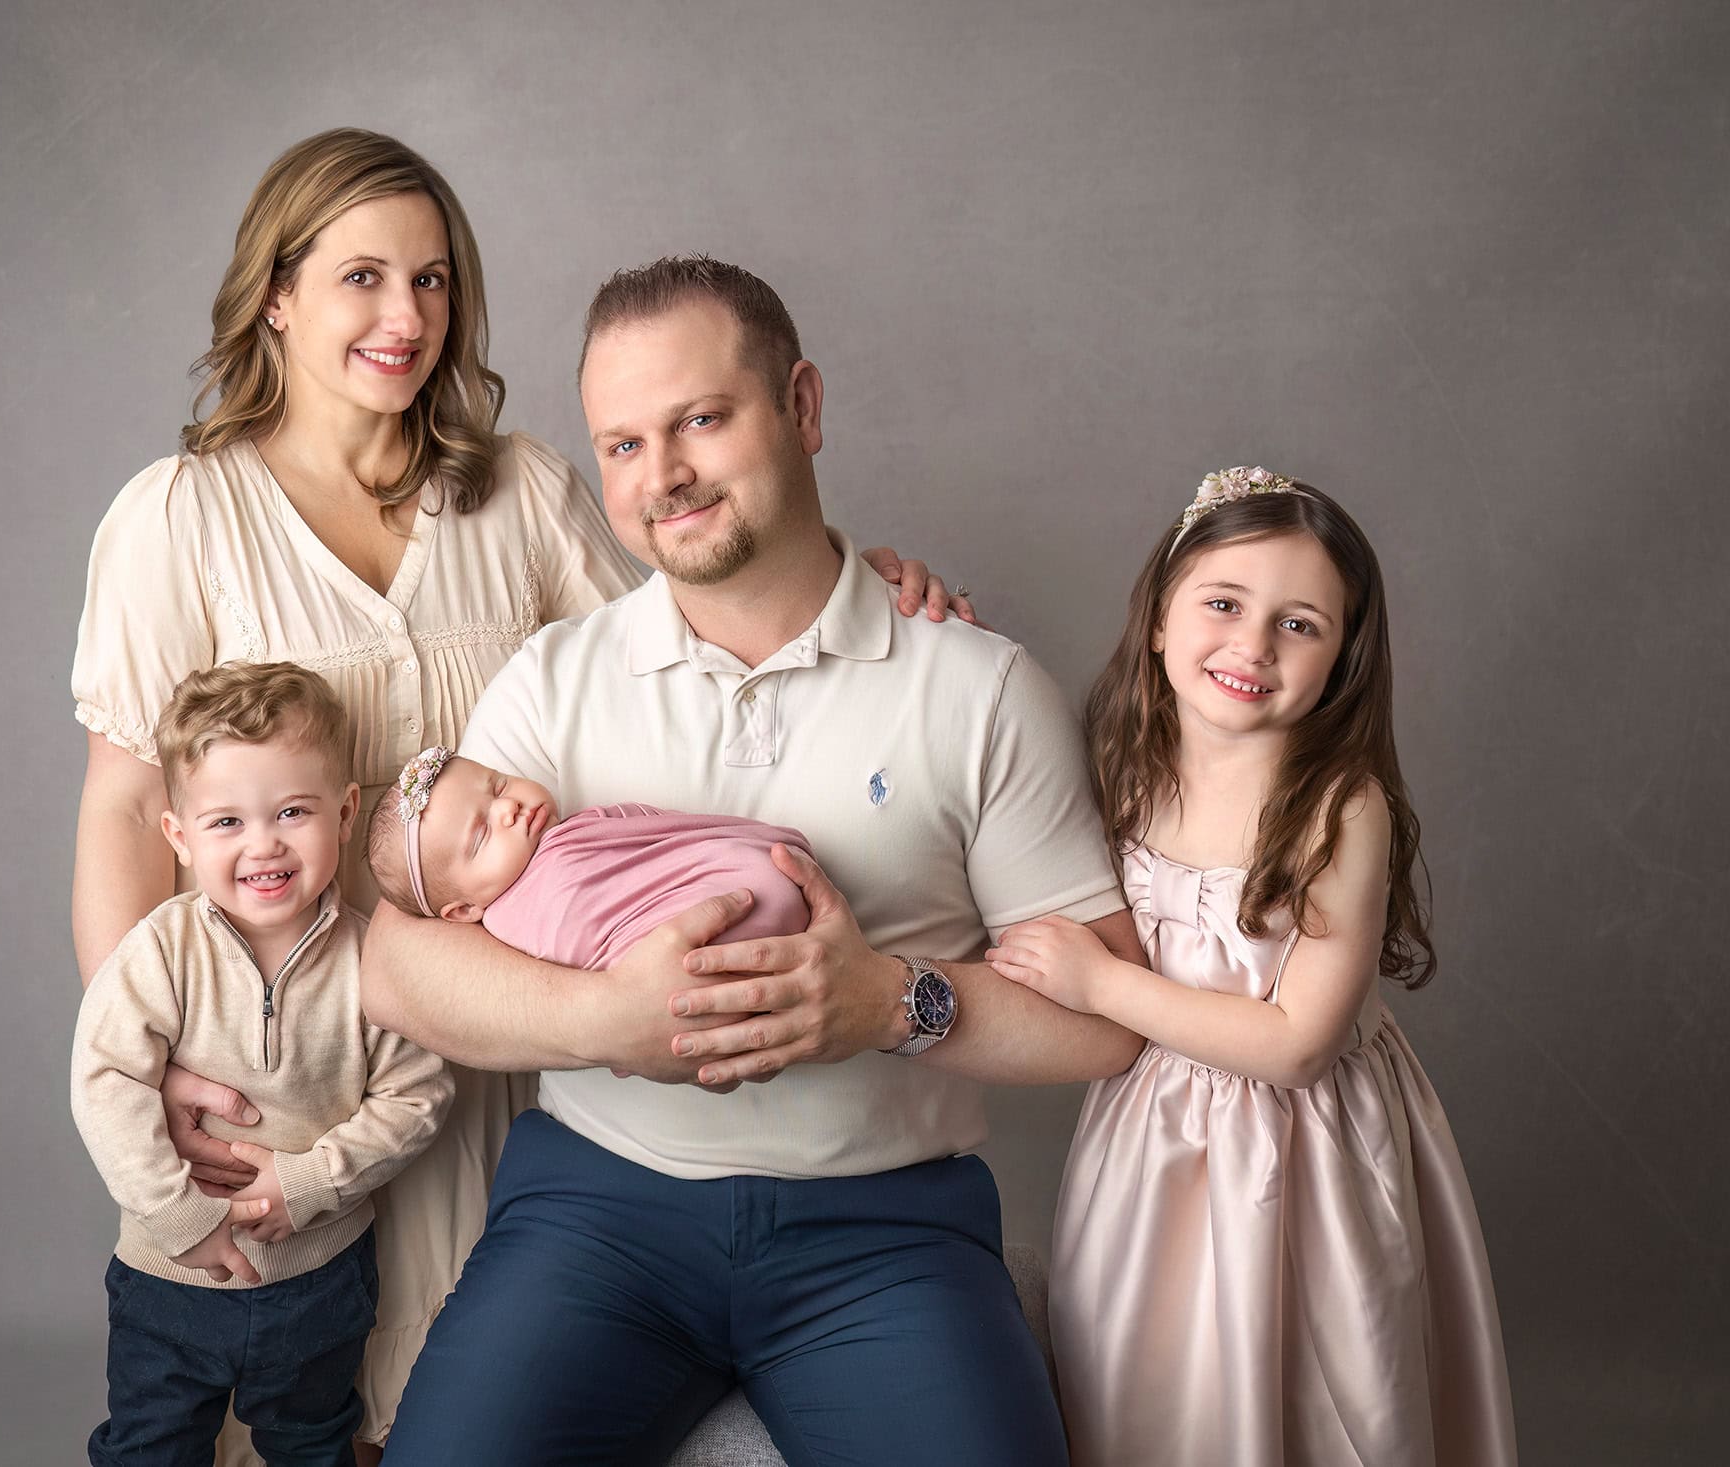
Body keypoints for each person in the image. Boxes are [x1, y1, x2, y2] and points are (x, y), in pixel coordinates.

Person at [68, 130, 969, 1464]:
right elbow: (116, 810)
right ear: (276, 293)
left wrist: (852, 579)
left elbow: (691, 651)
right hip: (293, 1051)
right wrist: (158, 1048)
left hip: (497, 1045)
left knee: (446, 1407)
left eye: (433, 281)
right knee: (291, 1406)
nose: (405, 317)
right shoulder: (178, 516)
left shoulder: (518, 487)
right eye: (361, 277)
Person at [364, 255, 1148, 1466]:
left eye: (699, 420)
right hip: (594, 1212)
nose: (660, 475)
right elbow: (400, 970)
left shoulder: (976, 686)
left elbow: (1106, 1017)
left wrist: (889, 1003)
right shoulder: (553, 682)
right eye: (620, 445)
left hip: (885, 1233)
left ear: (803, 406)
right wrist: (604, 1018)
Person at [985, 469, 1516, 1465]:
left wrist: (1100, 987)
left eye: (1298, 624)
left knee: (1313, 1383)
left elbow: (1295, 1044)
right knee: (1148, 1379)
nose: (1251, 645)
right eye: (1223, 604)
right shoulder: (1122, 766)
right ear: (1156, 618)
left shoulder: (1335, 810)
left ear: (1339, 661)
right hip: (1151, 1141)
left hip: (1302, 1156)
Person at [72, 661, 453, 1465]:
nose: (264, 844)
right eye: (226, 823)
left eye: (291, 811)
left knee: (315, 1443)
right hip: (170, 1276)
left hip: (319, 1272)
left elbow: (417, 1095)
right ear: (179, 834)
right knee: (150, 1444)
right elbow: (106, 1080)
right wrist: (181, 1217)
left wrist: (310, 1180)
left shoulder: (370, 958)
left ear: (345, 811)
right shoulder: (163, 951)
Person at [362, 747, 812, 973]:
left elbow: (663, 835)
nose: (508, 808)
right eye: (481, 834)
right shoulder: (519, 928)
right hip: (724, 943)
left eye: (497, 785)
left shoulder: (576, 834)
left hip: (760, 897)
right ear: (463, 910)